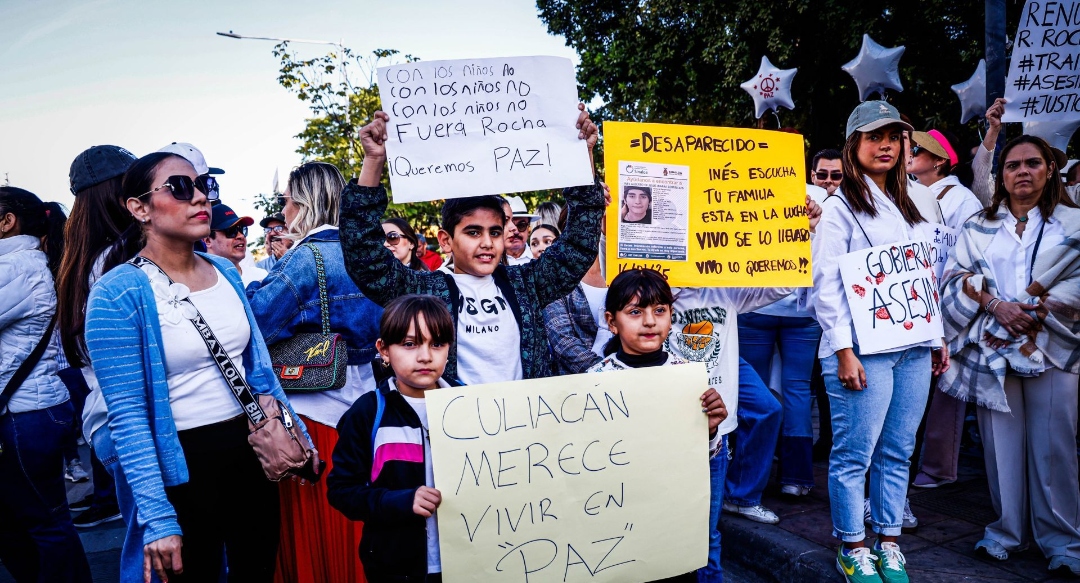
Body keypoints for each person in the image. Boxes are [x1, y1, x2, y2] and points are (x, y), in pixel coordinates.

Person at [84, 152, 313, 583]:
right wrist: (156, 517)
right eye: (179, 188)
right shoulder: (117, 293)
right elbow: (128, 417)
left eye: (204, 186)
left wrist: (296, 435)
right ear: (139, 208)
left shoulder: (225, 272)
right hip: (182, 464)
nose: (200, 198)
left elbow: (258, 370)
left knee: (257, 571)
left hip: (250, 451)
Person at [340, 105, 603, 385]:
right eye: (473, 232)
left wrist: (581, 155)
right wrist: (374, 160)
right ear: (445, 240)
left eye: (495, 232)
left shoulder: (526, 284)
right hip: (453, 425)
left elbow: (578, 244)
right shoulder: (425, 292)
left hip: (527, 422)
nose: (487, 243)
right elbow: (364, 256)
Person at [811, 101, 949, 583]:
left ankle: (888, 542)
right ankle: (852, 545)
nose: (886, 144)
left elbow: (925, 277)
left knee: (898, 450)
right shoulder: (839, 207)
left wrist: (937, 335)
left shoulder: (915, 203)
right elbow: (825, 284)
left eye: (894, 136)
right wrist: (843, 350)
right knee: (854, 454)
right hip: (862, 351)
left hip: (913, 346)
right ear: (854, 146)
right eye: (874, 136)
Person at [938, 135, 1080, 575]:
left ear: (1049, 169)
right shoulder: (980, 223)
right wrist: (997, 306)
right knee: (1001, 450)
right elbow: (954, 277)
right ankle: (1006, 533)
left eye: (1032, 163)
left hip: (1053, 347)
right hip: (992, 350)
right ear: (1000, 175)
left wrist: (1039, 310)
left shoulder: (1074, 225)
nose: (1022, 171)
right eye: (1012, 165)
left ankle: (1063, 543)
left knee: (1054, 448)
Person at [246, 161, 384, 583]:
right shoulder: (367, 251)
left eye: (286, 201)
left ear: (303, 203)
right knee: (355, 519)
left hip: (313, 406)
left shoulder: (306, 259)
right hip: (365, 400)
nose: (283, 210)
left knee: (312, 524)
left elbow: (254, 321)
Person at [587, 268, 728, 582]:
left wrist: (710, 431)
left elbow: (701, 457)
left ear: (671, 315)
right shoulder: (596, 382)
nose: (649, 321)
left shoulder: (688, 376)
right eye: (635, 312)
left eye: (659, 311)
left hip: (672, 525)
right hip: (617, 522)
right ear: (611, 321)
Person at [328, 295, 458, 582]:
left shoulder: (469, 404)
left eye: (437, 343)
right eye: (409, 344)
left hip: (466, 562)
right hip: (395, 567)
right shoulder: (368, 412)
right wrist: (401, 501)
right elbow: (342, 491)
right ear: (383, 350)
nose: (425, 356)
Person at [0, 186, 93, 583]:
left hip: (24, 414)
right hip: (33, 410)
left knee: (42, 524)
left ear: (7, 221)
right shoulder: (30, 263)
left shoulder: (15, 267)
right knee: (27, 522)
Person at [56, 144, 138, 529]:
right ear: (117, 196)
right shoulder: (121, 260)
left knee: (150, 542)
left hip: (109, 416)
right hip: (137, 421)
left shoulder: (85, 259)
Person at [907, 128, 984, 491]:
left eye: (919, 149)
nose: (910, 152)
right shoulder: (909, 191)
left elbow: (967, 255)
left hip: (943, 303)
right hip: (914, 300)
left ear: (939, 160)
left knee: (945, 387)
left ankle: (938, 468)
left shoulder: (961, 199)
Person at [202, 203, 265, 286]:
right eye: (231, 231)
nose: (241, 236)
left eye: (242, 229)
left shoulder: (261, 276)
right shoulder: (200, 283)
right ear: (208, 241)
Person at [502, 195, 535, 265]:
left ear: (528, 228)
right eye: (508, 225)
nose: (516, 231)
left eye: (521, 225)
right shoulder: (492, 260)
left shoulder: (538, 257)